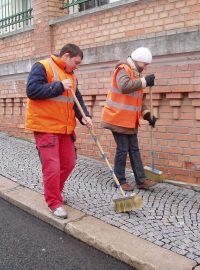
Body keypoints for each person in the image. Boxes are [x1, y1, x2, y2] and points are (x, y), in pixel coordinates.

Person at [25, 44, 93, 219]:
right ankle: (54, 202)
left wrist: (84, 116)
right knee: (52, 167)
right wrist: (59, 86)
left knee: (68, 163)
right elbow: (32, 91)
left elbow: (76, 99)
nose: (77, 66)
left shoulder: (72, 77)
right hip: (45, 127)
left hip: (65, 129)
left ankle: (56, 191)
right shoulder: (43, 66)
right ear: (67, 56)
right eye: (76, 62)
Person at [101, 47, 157, 191]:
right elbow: (124, 87)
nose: (146, 67)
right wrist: (144, 81)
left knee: (134, 149)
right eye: (145, 64)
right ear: (139, 60)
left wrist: (147, 115)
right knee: (123, 149)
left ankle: (141, 180)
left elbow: (137, 101)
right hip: (117, 118)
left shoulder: (136, 74)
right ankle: (119, 180)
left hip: (129, 121)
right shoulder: (123, 69)